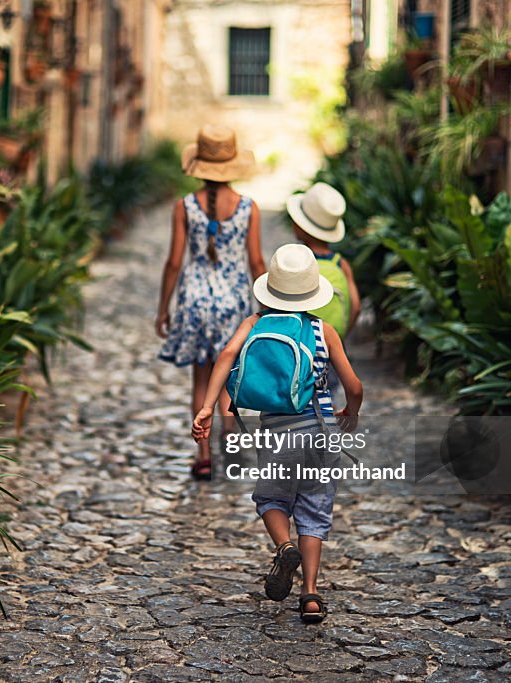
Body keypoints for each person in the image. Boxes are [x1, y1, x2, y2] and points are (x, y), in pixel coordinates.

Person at [191, 244, 363, 623]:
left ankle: (285, 546)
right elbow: (353, 385)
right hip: (320, 429)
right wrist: (351, 411)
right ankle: (311, 595)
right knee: (315, 509)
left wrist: (207, 406)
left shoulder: (254, 323)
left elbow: (225, 356)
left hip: (278, 430)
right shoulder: (324, 331)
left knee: (270, 498)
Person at [157, 124, 266, 481]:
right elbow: (256, 263)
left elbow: (174, 262)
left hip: (194, 301)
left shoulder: (185, 206)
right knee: (229, 381)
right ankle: (229, 443)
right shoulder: (249, 208)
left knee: (201, 382)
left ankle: (203, 456)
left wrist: (164, 308)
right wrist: (265, 310)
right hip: (233, 304)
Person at [287, 182, 360, 338]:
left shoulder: (297, 261)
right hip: (331, 342)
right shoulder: (341, 264)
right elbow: (355, 307)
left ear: (302, 227)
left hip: (299, 342)